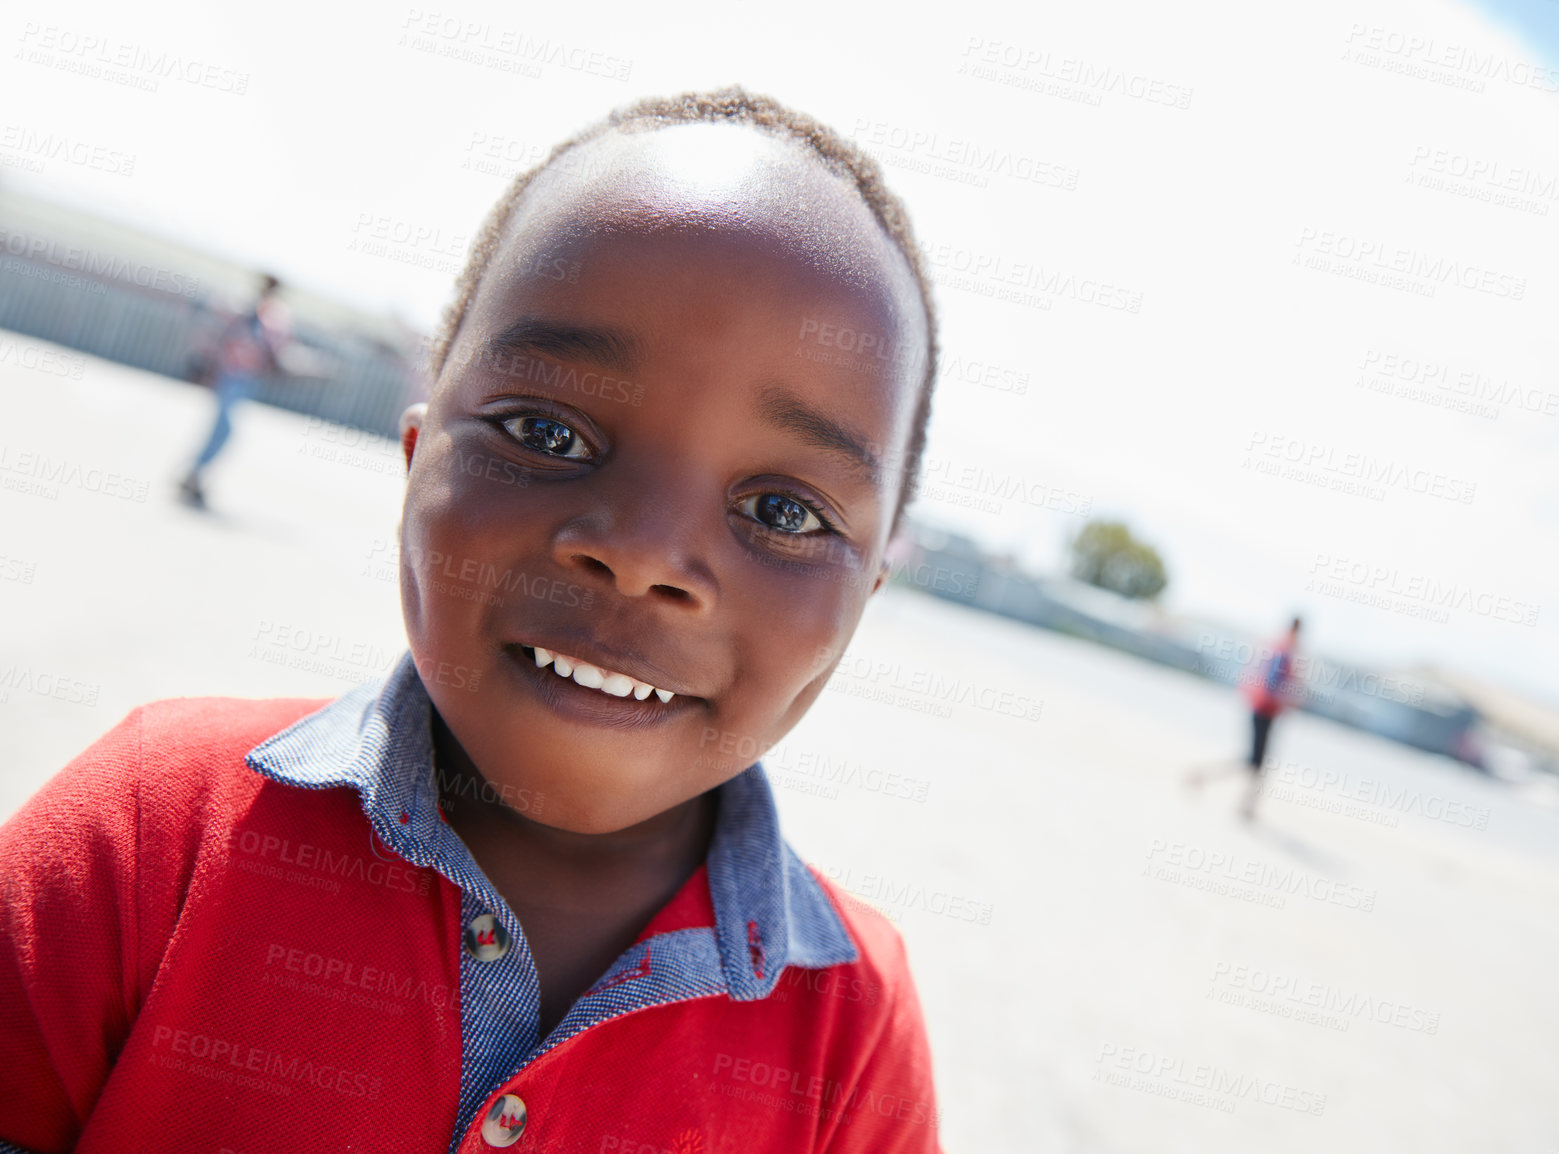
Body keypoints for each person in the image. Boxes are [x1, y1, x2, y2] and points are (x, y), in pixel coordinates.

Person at [0, 90, 943, 1152]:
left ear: (863, 601)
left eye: (782, 510)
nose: (637, 552)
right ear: (415, 465)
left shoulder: (851, 1031)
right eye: (546, 430)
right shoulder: (152, 832)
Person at [177, 273, 291, 508]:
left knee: (223, 430)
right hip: (231, 374)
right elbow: (221, 336)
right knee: (224, 429)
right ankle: (195, 474)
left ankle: (196, 474)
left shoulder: (270, 317)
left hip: (243, 378)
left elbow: (272, 349)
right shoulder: (245, 310)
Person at [1186, 616, 1303, 821]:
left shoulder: (1277, 645)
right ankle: (1209, 780)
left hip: (1261, 707)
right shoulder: (1284, 651)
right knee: (1255, 761)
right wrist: (1289, 699)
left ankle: (1245, 803)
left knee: (1256, 761)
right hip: (1264, 709)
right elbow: (1273, 682)